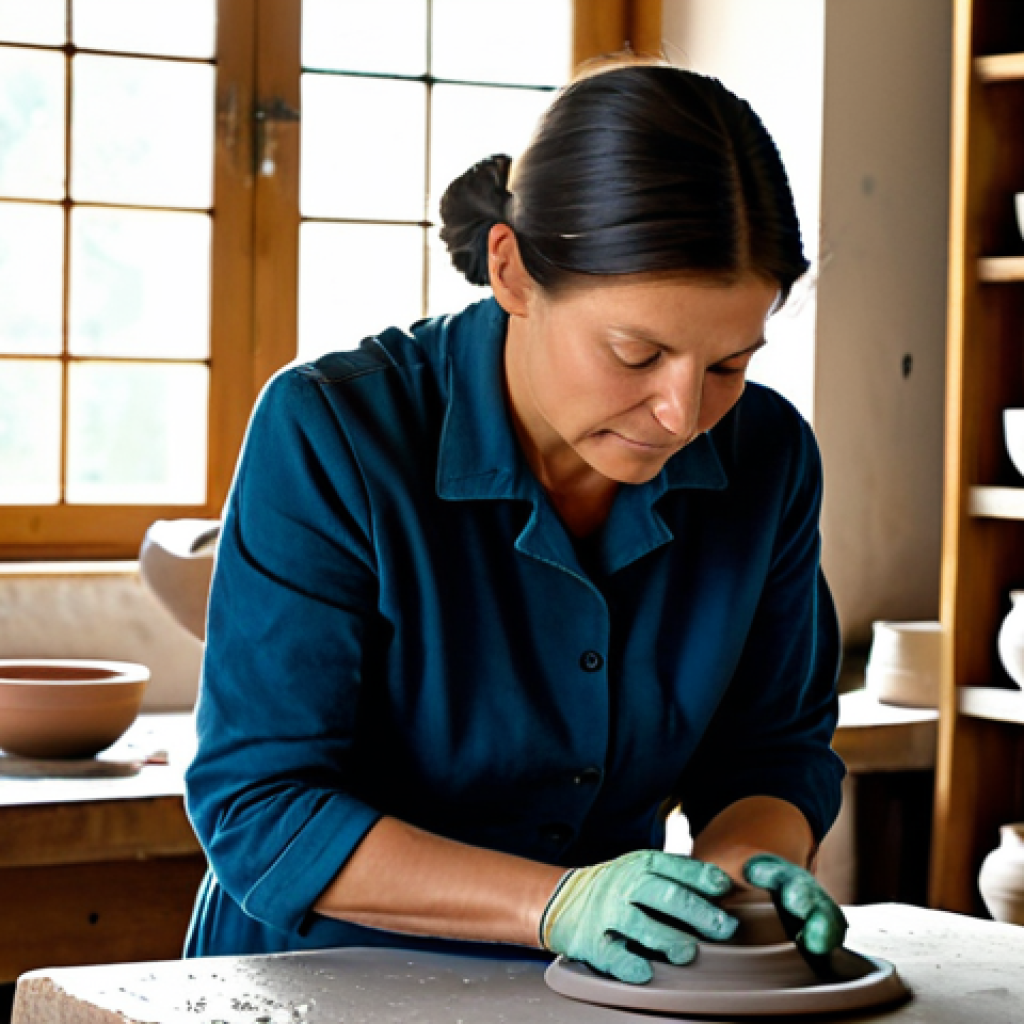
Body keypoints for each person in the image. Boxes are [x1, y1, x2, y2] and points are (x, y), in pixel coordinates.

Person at [184, 59, 847, 985]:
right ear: (513, 270)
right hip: (322, 985)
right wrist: (555, 903)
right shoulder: (331, 433)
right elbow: (261, 809)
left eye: (729, 363)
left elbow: (770, 751)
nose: (681, 413)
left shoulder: (767, 456)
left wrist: (742, 881)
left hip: (605, 994)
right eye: (637, 351)